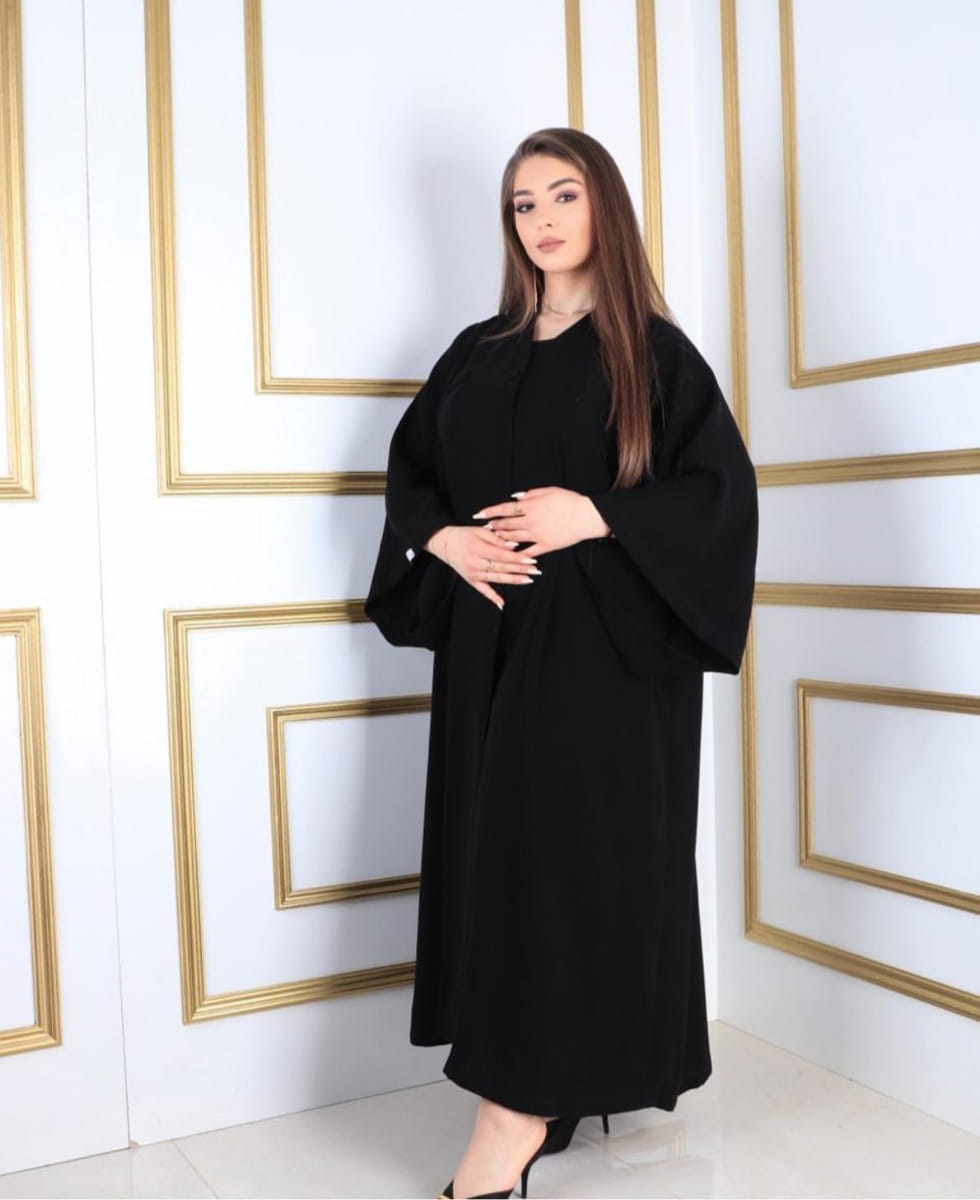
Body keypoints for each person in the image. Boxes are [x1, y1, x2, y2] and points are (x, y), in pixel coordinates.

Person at [364, 127, 758, 1200]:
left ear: (603, 208)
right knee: (501, 867)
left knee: (571, 870)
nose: (541, 219)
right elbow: (411, 472)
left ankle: (513, 1115)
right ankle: (546, 1079)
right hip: (489, 650)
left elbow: (719, 498)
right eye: (522, 204)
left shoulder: (654, 354)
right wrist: (443, 540)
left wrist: (597, 514)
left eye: (563, 195)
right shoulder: (476, 351)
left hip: (606, 661)